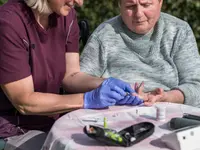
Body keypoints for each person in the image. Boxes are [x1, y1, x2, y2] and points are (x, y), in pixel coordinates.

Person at [0, 0, 143, 148]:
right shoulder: (9, 23)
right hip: (13, 130)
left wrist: (106, 85)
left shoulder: (65, 15)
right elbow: (24, 102)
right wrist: (87, 99)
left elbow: (71, 76)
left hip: (51, 121)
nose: (79, 3)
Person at [80, 0, 200, 107]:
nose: (138, 14)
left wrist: (167, 97)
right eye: (130, 6)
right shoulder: (104, 34)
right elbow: (78, 80)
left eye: (146, 5)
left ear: (160, 3)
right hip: (116, 112)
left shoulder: (179, 31)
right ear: (119, 5)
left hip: (169, 110)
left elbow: (196, 86)